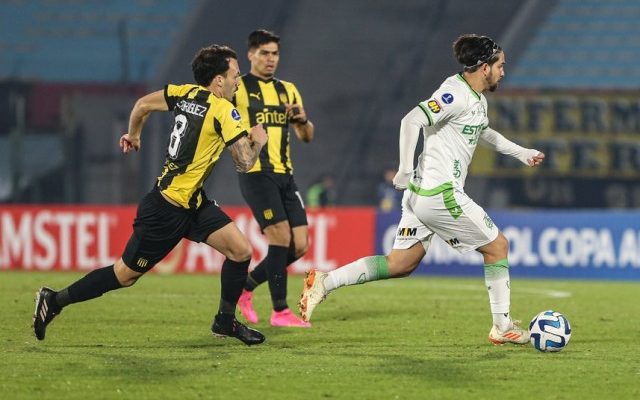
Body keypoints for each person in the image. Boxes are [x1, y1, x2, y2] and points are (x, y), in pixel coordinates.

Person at [299, 34, 546, 345]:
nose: (503, 72)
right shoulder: (453, 94)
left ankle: (325, 281)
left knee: (400, 264)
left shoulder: (477, 100)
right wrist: (404, 167)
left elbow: (484, 133)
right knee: (497, 247)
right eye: (501, 66)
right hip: (439, 193)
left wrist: (522, 153)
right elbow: (411, 119)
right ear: (485, 67)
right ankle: (502, 327)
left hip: (420, 196)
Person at [32, 44, 269, 346]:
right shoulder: (224, 109)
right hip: (166, 210)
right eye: (235, 75)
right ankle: (54, 300)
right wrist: (257, 140)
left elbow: (142, 104)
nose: (239, 81)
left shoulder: (183, 92)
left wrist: (134, 135)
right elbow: (243, 162)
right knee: (124, 275)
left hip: (192, 203)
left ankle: (225, 321)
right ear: (218, 80)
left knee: (240, 251)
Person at [233, 29, 315, 327]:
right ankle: (280, 311)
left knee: (300, 246)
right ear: (251, 55)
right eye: (265, 53)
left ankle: (246, 287)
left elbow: (306, 136)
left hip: (285, 175)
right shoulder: (238, 88)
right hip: (256, 173)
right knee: (280, 236)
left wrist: (302, 120)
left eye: (275, 53)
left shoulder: (288, 90)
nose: (271, 59)